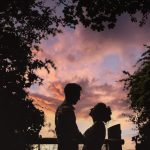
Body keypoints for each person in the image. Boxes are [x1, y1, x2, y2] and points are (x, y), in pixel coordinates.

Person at [55, 83, 84, 150]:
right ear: (72, 94)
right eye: (77, 95)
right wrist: (85, 140)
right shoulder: (67, 110)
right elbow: (74, 130)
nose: (79, 98)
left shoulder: (60, 108)